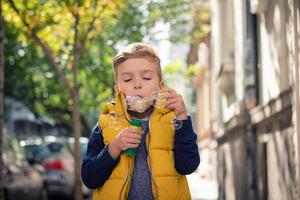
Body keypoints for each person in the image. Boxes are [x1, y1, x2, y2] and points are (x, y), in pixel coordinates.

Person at [81, 42, 200, 200]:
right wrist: (114, 148)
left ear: (160, 86)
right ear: (117, 90)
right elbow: (89, 178)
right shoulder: (105, 124)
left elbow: (188, 166)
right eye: (128, 79)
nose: (137, 84)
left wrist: (182, 119)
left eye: (146, 77)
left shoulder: (173, 122)